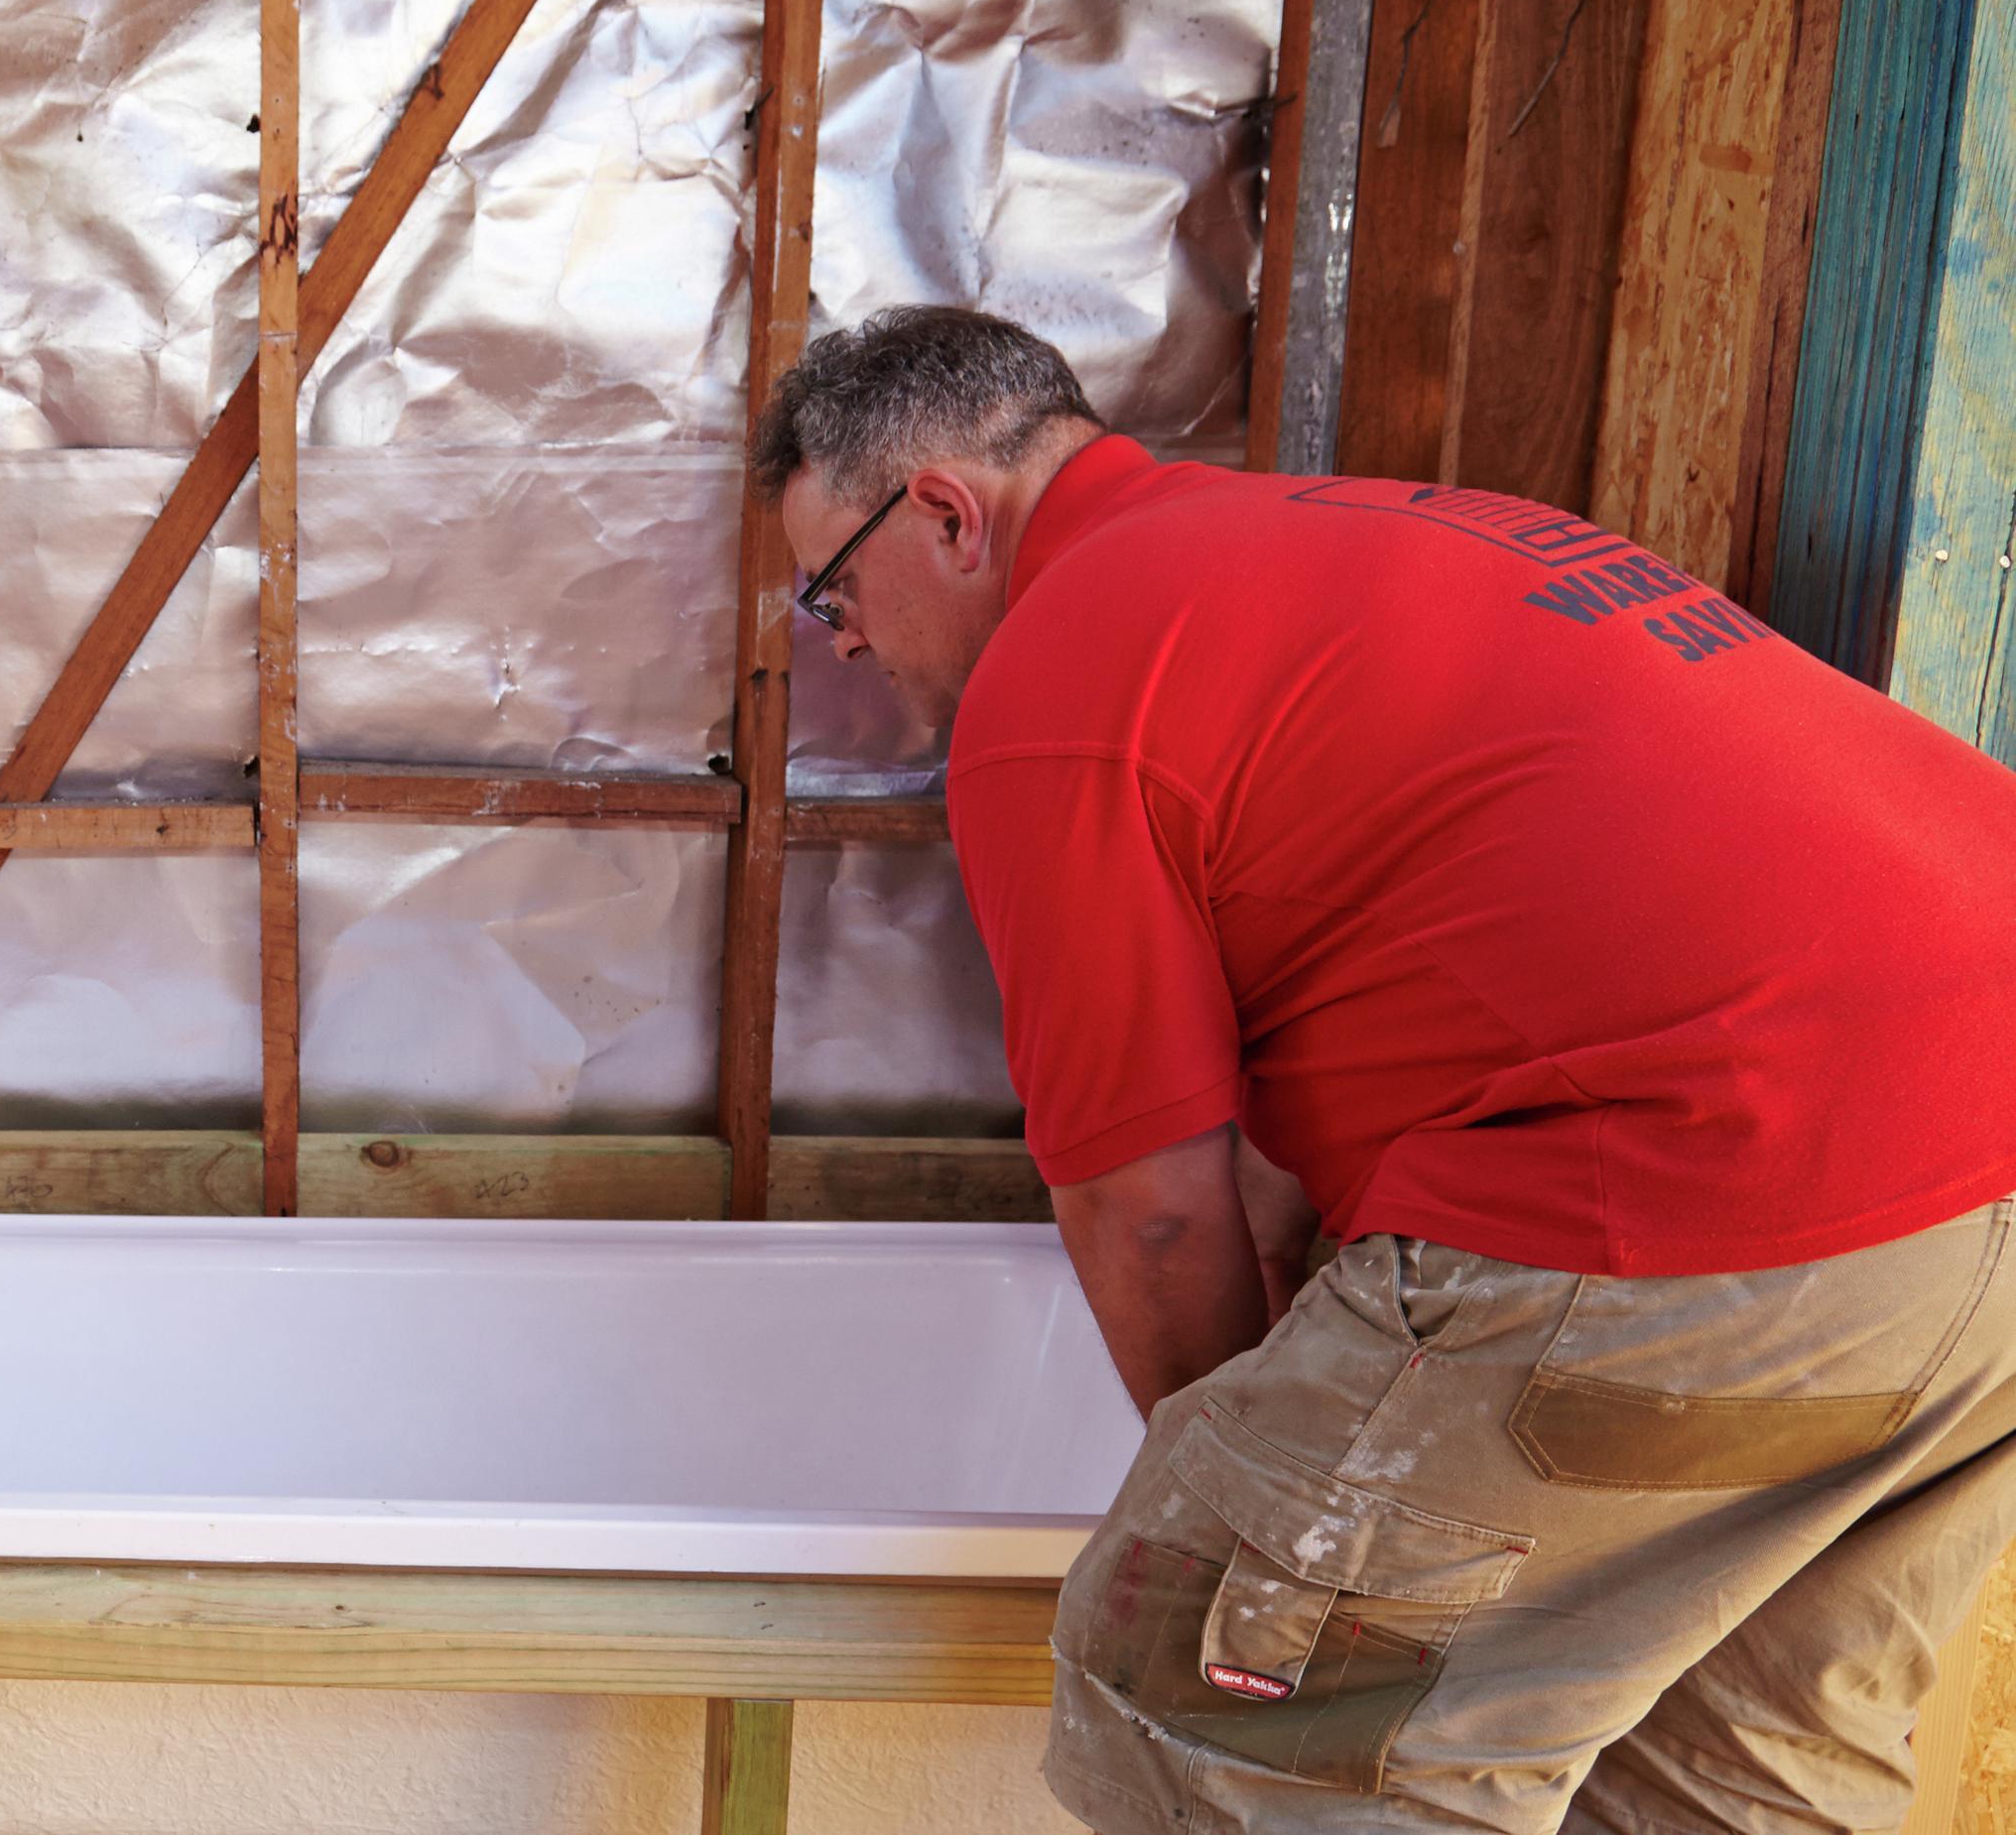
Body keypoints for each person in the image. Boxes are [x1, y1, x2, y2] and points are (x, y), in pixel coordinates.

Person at [758, 305, 2016, 1834]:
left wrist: (1269, 1521)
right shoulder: (1377, 538)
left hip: (1720, 1165)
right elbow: (1326, 1079)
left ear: (946, 512)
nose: (849, 647)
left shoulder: (1062, 671)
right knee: (1716, 1775)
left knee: (1209, 1686)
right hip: (1972, 1202)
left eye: (833, 591)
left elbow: (1146, 1210)